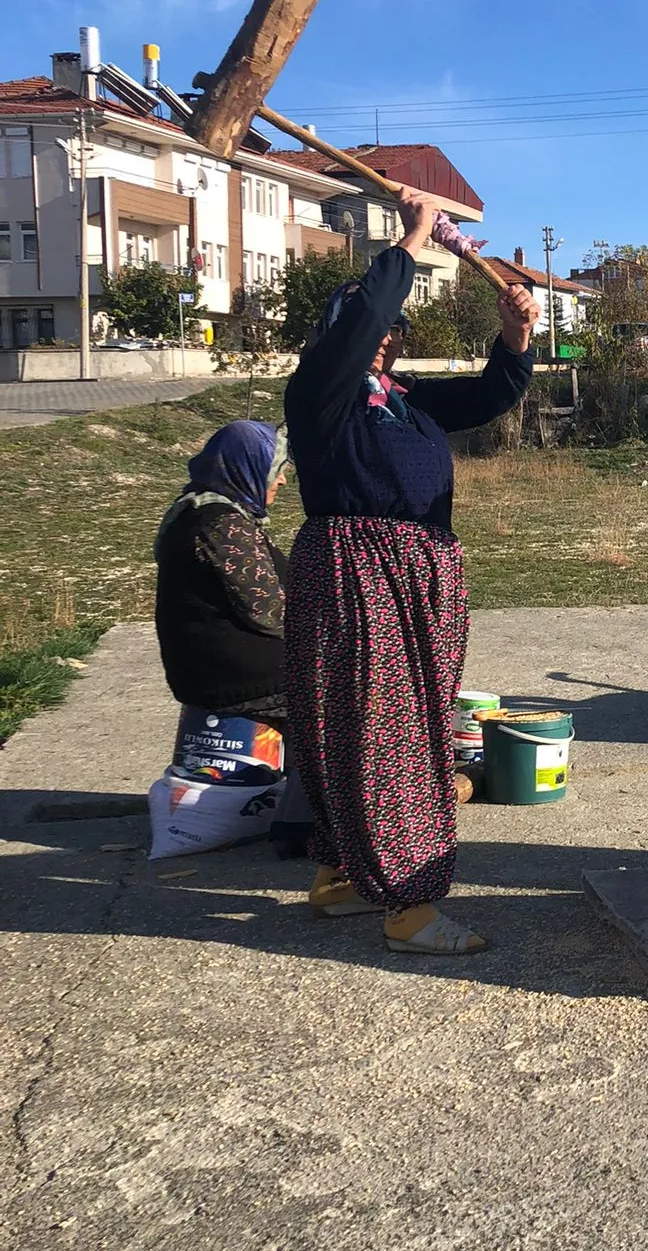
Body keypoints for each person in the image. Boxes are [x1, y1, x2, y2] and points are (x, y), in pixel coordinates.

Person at [283, 189, 538, 954]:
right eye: (374, 327)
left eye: (393, 331)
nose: (386, 339)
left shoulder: (403, 402)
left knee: (395, 730)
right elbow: (361, 317)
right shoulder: (322, 398)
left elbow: (492, 393)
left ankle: (342, 877)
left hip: (416, 583)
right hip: (358, 582)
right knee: (384, 738)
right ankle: (410, 907)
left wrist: (514, 336)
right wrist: (416, 239)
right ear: (340, 334)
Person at [154, 420, 289, 719]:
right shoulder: (222, 524)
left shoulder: (195, 511)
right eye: (275, 469)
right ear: (247, 466)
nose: (282, 481)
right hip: (245, 683)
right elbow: (270, 611)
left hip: (214, 674)